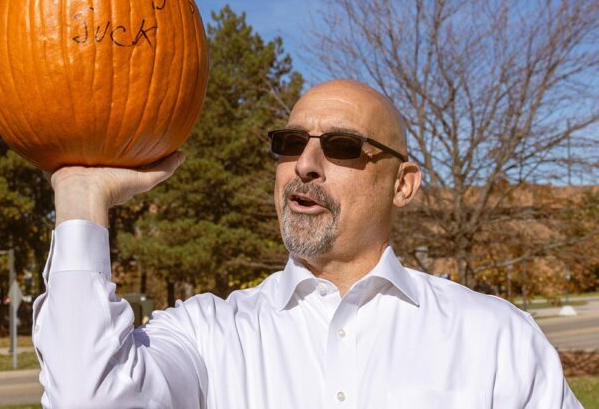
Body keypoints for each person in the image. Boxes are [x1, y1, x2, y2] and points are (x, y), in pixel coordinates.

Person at [31, 79, 581, 408]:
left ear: (404, 183)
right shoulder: (208, 334)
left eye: (342, 146)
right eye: (291, 143)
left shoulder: (496, 338)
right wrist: (82, 200)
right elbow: (86, 397)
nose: (306, 165)